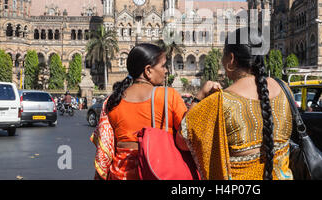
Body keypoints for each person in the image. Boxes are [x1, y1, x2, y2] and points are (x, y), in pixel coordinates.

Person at [179, 27, 293, 180]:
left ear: (231, 59)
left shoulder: (220, 102)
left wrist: (199, 98)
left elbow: (183, 141)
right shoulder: (285, 89)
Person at [90, 43, 217, 180]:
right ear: (148, 70)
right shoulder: (168, 96)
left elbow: (105, 151)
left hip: (121, 174)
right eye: (163, 66)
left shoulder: (111, 101)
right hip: (158, 171)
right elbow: (185, 141)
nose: (166, 70)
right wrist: (198, 99)